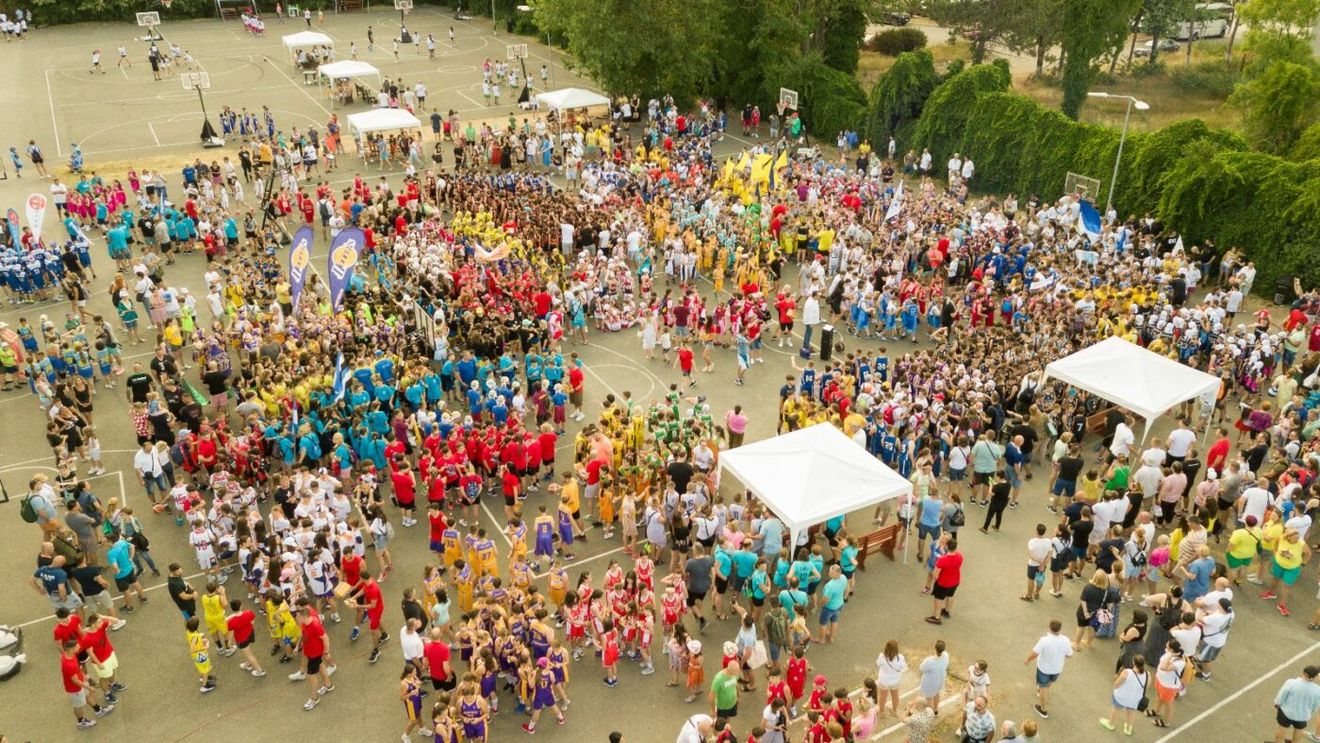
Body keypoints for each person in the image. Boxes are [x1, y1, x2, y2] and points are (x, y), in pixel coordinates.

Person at [1024, 619, 1073, 719]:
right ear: (1060, 628)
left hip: (1044, 669)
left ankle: (1043, 710)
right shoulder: (1066, 640)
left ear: (1050, 627)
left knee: (1043, 688)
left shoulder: (1044, 640)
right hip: (1057, 669)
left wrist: (1027, 660)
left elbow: (1035, 653)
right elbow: (1069, 655)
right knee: (1049, 683)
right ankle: (1042, 692)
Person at [1098, 656, 1149, 736]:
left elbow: (1117, 684)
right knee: (1131, 713)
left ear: (1134, 663)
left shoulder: (1127, 672)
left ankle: (1110, 723)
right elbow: (1147, 686)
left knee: (1116, 709)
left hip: (1122, 697)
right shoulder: (1147, 674)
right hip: (1135, 699)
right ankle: (1128, 728)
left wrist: (1115, 687)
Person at [1273, 665, 1320, 743]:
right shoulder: (1318, 690)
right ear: (1314, 677)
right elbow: (1315, 706)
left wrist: (1277, 703)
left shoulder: (1291, 682)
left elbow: (1282, 695)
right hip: (1302, 717)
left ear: (1304, 672)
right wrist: (1309, 712)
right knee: (1298, 732)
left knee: (1282, 728)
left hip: (1286, 713)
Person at [926, 538, 962, 624]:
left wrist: (936, 580)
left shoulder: (942, 560)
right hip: (955, 581)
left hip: (943, 583)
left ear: (946, 546)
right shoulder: (960, 556)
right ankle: (946, 611)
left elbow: (935, 574)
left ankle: (936, 617)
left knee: (938, 599)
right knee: (950, 596)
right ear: (956, 547)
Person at [918, 640, 949, 710]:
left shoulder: (929, 661)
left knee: (928, 699)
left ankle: (930, 714)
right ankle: (935, 710)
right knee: (936, 694)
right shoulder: (946, 656)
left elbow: (921, 668)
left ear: (935, 649)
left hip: (930, 683)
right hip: (940, 681)